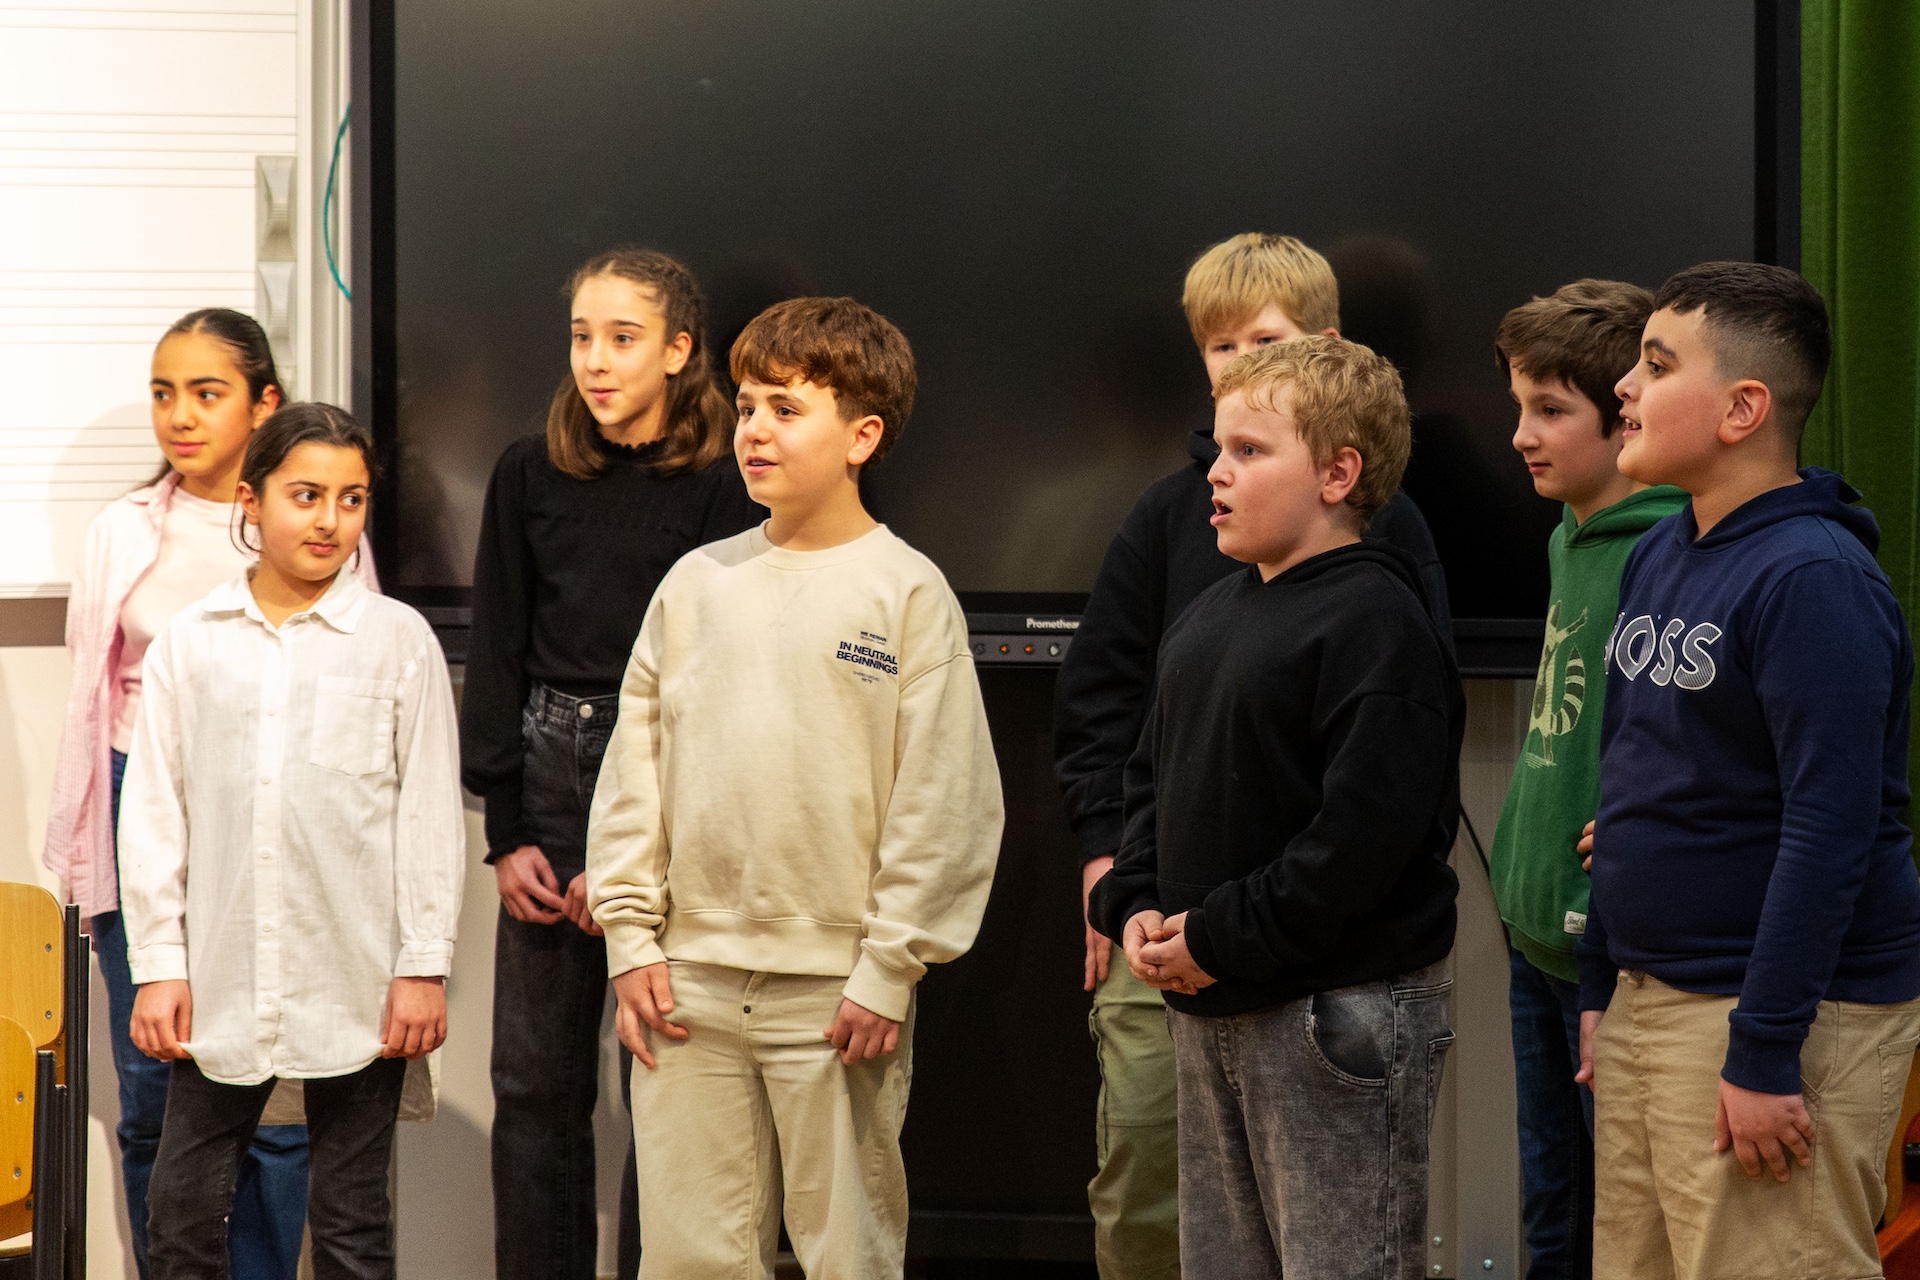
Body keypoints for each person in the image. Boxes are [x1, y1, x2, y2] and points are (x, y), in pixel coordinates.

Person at [1053, 231, 1451, 1278]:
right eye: (1217, 448)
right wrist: (1136, 898)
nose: (1214, 472)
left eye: (1247, 453)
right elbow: (1150, 772)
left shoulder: (1377, 618)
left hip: (1330, 1005)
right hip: (1209, 996)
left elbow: (1359, 838)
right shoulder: (1212, 609)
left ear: (1339, 472)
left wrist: (1220, 935)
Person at [587, 296, 1004, 1277]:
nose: (755, 430)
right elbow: (634, 771)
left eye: (785, 408)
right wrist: (630, 937)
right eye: (745, 407)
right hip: (686, 980)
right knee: (688, 1255)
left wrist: (888, 966)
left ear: (863, 436)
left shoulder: (906, 590)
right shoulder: (696, 583)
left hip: (837, 986)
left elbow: (943, 800)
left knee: (847, 1250)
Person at [1575, 262, 1920, 1280]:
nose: (1624, 387)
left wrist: (1765, 1048)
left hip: (1775, 1019)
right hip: (1649, 1000)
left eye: (1655, 364)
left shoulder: (1814, 577)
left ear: (1742, 409)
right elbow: (1628, 782)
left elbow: (1830, 829)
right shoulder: (1661, 551)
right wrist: (1601, 979)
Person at [460, 248, 761, 1280]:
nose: (595, 359)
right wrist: (509, 831)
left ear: (678, 350)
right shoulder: (528, 472)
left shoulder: (723, 484)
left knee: (662, 1077)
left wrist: (640, 857)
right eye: (582, 336)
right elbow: (499, 644)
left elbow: (720, 674)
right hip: (550, 767)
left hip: (669, 773)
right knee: (533, 1082)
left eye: (623, 338)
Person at [118, 403, 464, 1280]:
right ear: (252, 501)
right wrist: (159, 965)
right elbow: (155, 813)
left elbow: (427, 815)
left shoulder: (398, 642)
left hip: (356, 981)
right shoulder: (191, 645)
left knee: (352, 1225)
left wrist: (423, 965)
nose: (329, 520)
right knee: (180, 1216)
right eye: (306, 495)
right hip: (222, 981)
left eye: (351, 499)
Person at [42, 309, 347, 1279]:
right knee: (152, 1091)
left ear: (264, 402)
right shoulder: (124, 530)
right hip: (139, 802)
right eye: (163, 393)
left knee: (274, 1099)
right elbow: (88, 702)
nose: (179, 415)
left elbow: (354, 676)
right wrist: (88, 854)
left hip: (273, 814)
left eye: (207, 393)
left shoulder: (313, 519)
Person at [1487, 279, 1684, 1280]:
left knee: (1621, 1229)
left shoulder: (1668, 547)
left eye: (1551, 409)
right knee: (1552, 1214)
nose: (1522, 435)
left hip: (1605, 946)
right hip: (1534, 933)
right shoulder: (1568, 531)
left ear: (1624, 416)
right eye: (1520, 406)